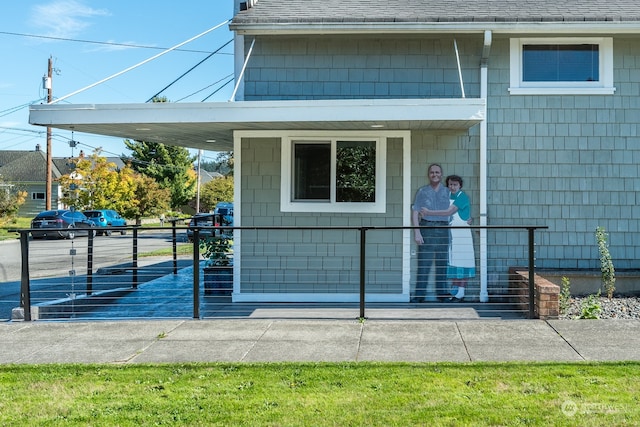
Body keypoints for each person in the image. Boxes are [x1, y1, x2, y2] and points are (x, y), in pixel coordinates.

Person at [420, 175, 476, 302]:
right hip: (450, 234)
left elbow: (448, 212)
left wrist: (428, 212)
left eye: (455, 185)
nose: (453, 187)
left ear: (460, 185)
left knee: (463, 262)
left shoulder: (462, 197)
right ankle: (454, 290)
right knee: (454, 262)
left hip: (462, 235)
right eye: (450, 184)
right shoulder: (446, 197)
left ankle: (461, 292)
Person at [411, 164, 451, 302]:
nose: (435, 174)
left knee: (442, 263)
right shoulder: (422, 191)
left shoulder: (447, 191)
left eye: (437, 172)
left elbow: (457, 208)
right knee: (424, 264)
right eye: (432, 172)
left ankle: (442, 295)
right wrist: (417, 232)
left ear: (441, 174)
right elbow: (415, 212)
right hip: (426, 228)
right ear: (429, 175)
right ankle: (419, 296)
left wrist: (467, 218)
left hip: (443, 229)